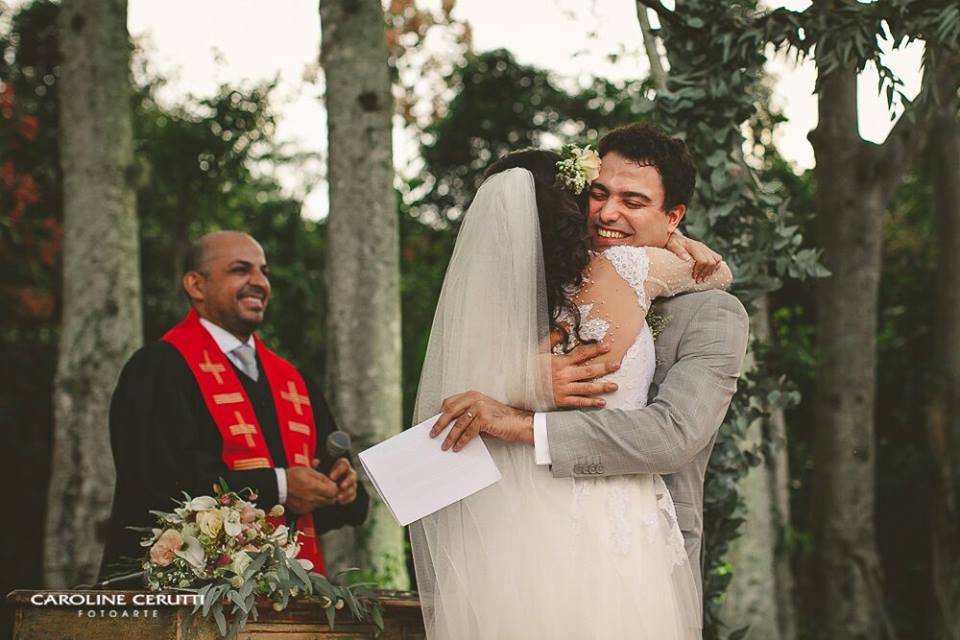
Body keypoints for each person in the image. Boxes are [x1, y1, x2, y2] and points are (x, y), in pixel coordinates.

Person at [411, 144, 734, 639]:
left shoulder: (711, 312)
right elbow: (464, 401)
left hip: (626, 540)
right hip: (522, 531)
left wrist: (523, 418)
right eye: (598, 194)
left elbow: (671, 436)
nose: (607, 213)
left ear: (674, 215)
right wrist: (520, 381)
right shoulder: (537, 287)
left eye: (633, 201)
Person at [100, 231, 368, 579]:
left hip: (285, 597)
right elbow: (156, 487)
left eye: (264, 272)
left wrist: (342, 491)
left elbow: (328, 502)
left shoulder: (295, 382)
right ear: (196, 285)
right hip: (179, 598)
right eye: (241, 270)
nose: (259, 282)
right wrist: (281, 487)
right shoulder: (158, 368)